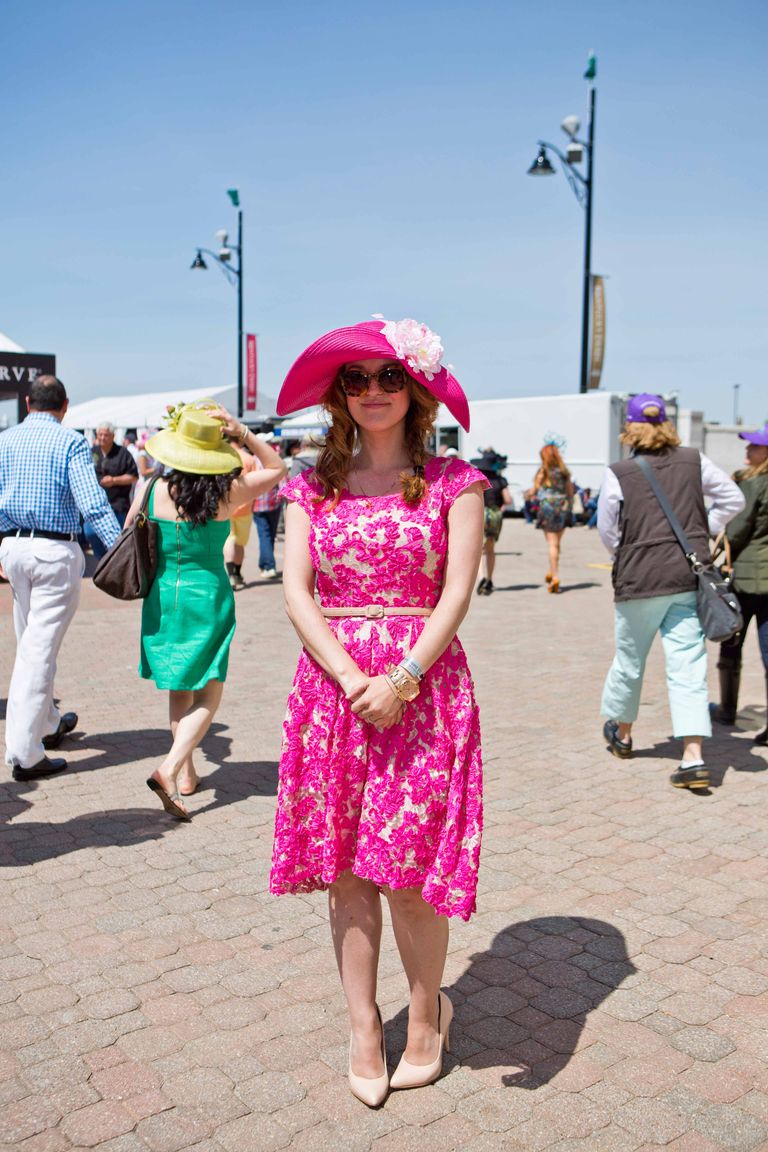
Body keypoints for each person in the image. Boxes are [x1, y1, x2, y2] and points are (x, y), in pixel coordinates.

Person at [269, 317, 487, 1108]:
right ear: (340, 396)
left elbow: (456, 592)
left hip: (423, 691)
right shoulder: (308, 484)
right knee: (347, 873)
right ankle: (365, 1024)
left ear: (417, 387)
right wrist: (351, 674)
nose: (372, 392)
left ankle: (427, 1012)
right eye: (356, 380)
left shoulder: (455, 481)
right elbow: (297, 592)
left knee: (412, 875)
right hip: (332, 695)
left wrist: (398, 676)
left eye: (388, 377)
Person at [128, 402, 287, 819]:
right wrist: (242, 433)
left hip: (163, 598)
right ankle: (169, 768)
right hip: (208, 595)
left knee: (179, 686)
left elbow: (130, 528)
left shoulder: (152, 488)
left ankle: (186, 775)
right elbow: (277, 469)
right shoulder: (226, 492)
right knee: (209, 690)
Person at [598, 393, 744, 790]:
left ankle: (624, 735)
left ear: (629, 426)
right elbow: (733, 498)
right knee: (688, 667)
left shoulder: (619, 471)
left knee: (630, 661)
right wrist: (703, 530)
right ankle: (693, 756)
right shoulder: (695, 460)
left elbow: (607, 530)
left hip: (638, 580)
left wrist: (627, 554)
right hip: (685, 577)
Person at [0, 376, 120, 781]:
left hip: (14, 548)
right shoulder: (70, 442)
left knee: (31, 641)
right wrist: (120, 550)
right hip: (54, 550)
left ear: (28, 401)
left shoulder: (6, 440)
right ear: (65, 405)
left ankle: (47, 722)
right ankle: (24, 751)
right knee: (38, 649)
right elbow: (93, 503)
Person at [711, 421, 768, 744]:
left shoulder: (752, 483)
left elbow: (736, 530)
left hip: (746, 578)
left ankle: (727, 710)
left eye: (754, 445)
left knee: (731, 641)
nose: (747, 449)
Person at [83, 421, 138, 559]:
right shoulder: (92, 452)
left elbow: (133, 476)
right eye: (100, 434)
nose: (102, 438)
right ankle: (102, 560)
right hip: (95, 504)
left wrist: (114, 480)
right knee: (89, 532)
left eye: (106, 435)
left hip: (118, 504)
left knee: (117, 540)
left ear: (113, 436)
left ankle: (114, 564)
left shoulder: (123, 453)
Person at [529, 436, 574, 593]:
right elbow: (570, 492)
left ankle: (555, 576)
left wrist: (528, 495)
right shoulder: (564, 472)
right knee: (557, 544)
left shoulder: (543, 471)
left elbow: (534, 490)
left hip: (547, 507)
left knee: (551, 544)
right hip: (562, 507)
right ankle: (551, 571)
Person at [471, 448, 511, 595]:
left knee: (480, 550)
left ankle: (481, 576)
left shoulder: (478, 479)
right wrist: (500, 508)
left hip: (480, 513)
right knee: (490, 548)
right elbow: (508, 500)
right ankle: (489, 578)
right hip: (494, 515)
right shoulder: (501, 480)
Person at [224, 444, 257, 590]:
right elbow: (256, 483)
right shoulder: (249, 459)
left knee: (230, 540)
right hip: (245, 506)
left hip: (226, 506)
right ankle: (237, 574)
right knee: (240, 543)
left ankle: (231, 575)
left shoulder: (223, 456)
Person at [252, 460, 284, 579]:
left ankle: (267, 566)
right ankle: (267, 565)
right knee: (269, 535)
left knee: (264, 536)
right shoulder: (274, 459)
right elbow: (283, 483)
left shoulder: (253, 460)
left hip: (257, 504)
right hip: (273, 503)